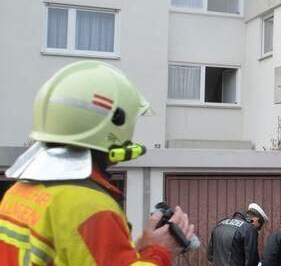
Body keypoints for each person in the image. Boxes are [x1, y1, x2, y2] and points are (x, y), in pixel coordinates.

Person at [0, 60, 194, 265]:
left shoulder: (18, 193)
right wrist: (158, 252)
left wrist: (139, 249)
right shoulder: (90, 206)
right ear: (116, 121)